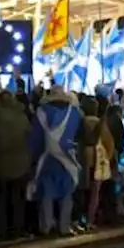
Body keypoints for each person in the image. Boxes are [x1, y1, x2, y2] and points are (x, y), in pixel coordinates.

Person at [29, 85, 82, 236]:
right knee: (67, 192)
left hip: (46, 157)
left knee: (47, 192)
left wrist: (34, 156)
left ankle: (46, 227)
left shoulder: (41, 112)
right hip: (68, 157)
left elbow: (35, 138)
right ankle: (64, 226)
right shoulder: (74, 112)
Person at [0, 89, 32, 239]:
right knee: (18, 199)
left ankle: (1, 229)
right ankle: (17, 228)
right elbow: (29, 135)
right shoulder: (22, 117)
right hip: (21, 164)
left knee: (1, 199)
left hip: (1, 164)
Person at [82, 98, 115, 229]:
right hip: (97, 161)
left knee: (82, 192)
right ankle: (90, 220)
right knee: (95, 193)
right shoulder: (101, 124)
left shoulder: (80, 122)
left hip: (82, 159)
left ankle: (80, 219)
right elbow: (109, 145)